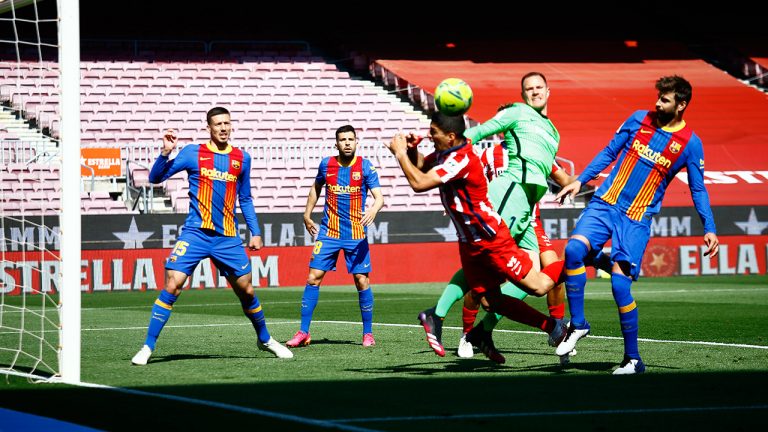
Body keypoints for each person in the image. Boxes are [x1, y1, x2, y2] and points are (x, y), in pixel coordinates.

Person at [555, 76, 719, 374]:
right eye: (658, 97)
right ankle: (578, 324)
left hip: (637, 218)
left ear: (681, 105)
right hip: (606, 202)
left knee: (619, 285)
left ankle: (633, 360)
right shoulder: (637, 119)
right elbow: (609, 152)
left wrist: (709, 227)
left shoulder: (690, 145)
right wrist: (580, 180)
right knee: (573, 250)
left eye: (665, 100)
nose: (657, 103)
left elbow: (698, 189)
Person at [385, 112, 567, 365]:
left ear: (450, 137)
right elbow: (423, 166)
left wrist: (400, 153)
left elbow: (420, 183)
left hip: (491, 237)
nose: (429, 135)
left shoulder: (462, 158)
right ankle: (471, 330)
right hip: (470, 240)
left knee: (538, 286)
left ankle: (582, 257)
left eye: (433, 132)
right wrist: (413, 151)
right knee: (489, 300)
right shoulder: (448, 153)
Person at [131, 106, 293, 365]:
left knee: (247, 291)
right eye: (218, 124)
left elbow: (246, 198)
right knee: (173, 284)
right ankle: (148, 346)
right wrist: (165, 153)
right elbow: (155, 177)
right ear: (208, 127)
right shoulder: (193, 153)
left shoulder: (242, 158)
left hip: (227, 237)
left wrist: (256, 232)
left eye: (227, 123)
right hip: (195, 233)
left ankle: (265, 339)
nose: (223, 128)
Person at [423, 73, 568, 363]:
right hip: (505, 202)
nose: (535, 92)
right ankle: (452, 324)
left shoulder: (548, 133)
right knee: (501, 276)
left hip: (529, 211)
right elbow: (476, 145)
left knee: (535, 281)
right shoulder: (503, 135)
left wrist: (581, 183)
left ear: (548, 91)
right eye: (529, 88)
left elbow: (557, 172)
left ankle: (483, 332)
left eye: (539, 87)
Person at [285, 125, 384, 348]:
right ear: (336, 143)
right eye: (343, 139)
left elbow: (379, 197)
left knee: (361, 281)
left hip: (356, 235)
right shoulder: (326, 164)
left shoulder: (366, 167)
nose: (347, 143)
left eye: (351, 139)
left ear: (356, 142)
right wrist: (306, 213)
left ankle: (367, 333)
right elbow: (315, 187)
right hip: (328, 232)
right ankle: (303, 332)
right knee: (313, 278)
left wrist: (373, 210)